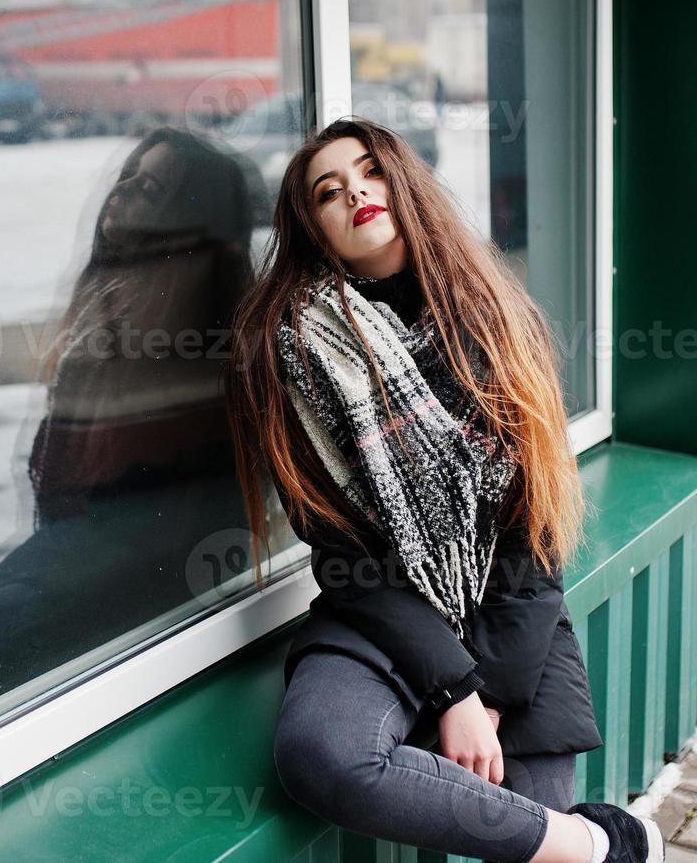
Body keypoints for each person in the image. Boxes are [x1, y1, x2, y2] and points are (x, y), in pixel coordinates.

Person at [223, 117, 665, 863]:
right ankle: (602, 845)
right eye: (329, 192)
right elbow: (340, 556)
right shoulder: (293, 351)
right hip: (380, 618)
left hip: (510, 612)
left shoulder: (494, 319)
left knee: (522, 840)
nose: (356, 192)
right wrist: (454, 693)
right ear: (314, 232)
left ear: (405, 183)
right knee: (323, 755)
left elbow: (533, 536)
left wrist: (488, 691)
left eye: (369, 171)